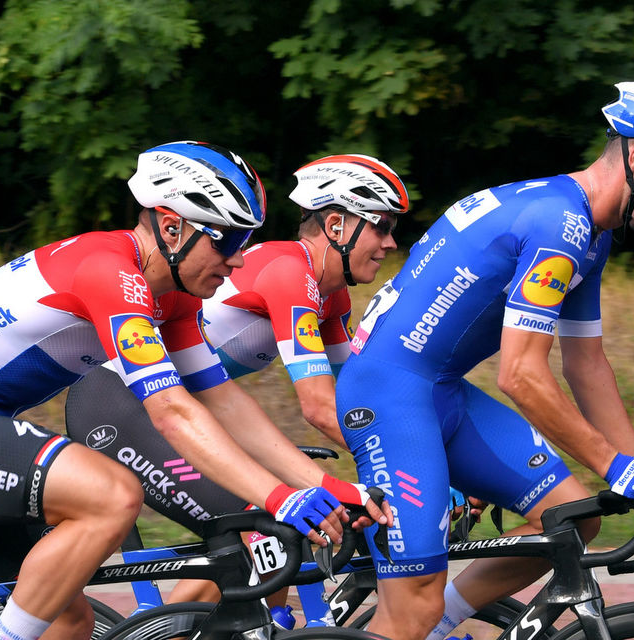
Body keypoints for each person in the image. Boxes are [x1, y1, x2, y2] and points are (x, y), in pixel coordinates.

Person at [0, 141, 383, 640]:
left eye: (245, 242)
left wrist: (323, 485)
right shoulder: (110, 271)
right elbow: (171, 413)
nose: (238, 261)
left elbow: (224, 401)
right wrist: (279, 496)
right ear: (172, 227)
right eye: (226, 241)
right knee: (111, 495)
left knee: (68, 623)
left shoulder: (173, 299)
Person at [333, 81, 634, 640]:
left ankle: (441, 623)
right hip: (388, 395)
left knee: (572, 520)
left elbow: (585, 364)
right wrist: (614, 466)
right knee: (410, 607)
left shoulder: (590, 232)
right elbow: (520, 373)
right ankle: (421, 621)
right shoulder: (558, 225)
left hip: (439, 390)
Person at [64, 153, 408, 604]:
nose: (389, 244)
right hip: (120, 404)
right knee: (267, 531)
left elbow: (356, 402)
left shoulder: (333, 296)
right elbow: (321, 407)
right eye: (381, 226)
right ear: (338, 227)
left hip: (190, 410)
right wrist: (410, 476)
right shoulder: (290, 272)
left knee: (275, 547)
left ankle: (209, 627)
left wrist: (411, 463)